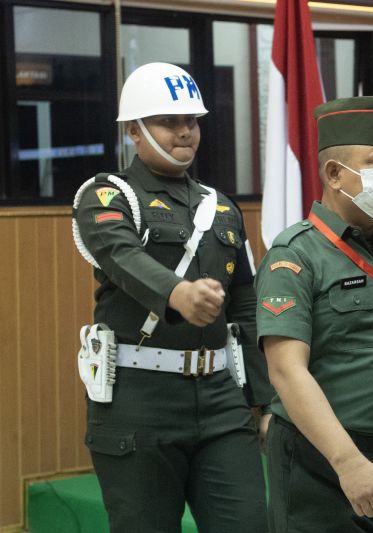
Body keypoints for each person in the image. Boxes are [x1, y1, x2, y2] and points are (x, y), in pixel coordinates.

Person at [73, 62, 271, 532]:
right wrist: (178, 293)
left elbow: (245, 304)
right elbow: (121, 257)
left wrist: (264, 400)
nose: (184, 132)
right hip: (139, 402)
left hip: (222, 401)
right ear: (134, 131)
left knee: (250, 524)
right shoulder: (107, 195)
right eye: (168, 121)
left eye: (192, 121)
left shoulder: (221, 207)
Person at [255, 95, 373, 532]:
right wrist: (348, 463)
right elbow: (286, 372)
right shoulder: (295, 256)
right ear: (335, 174)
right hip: (327, 466)